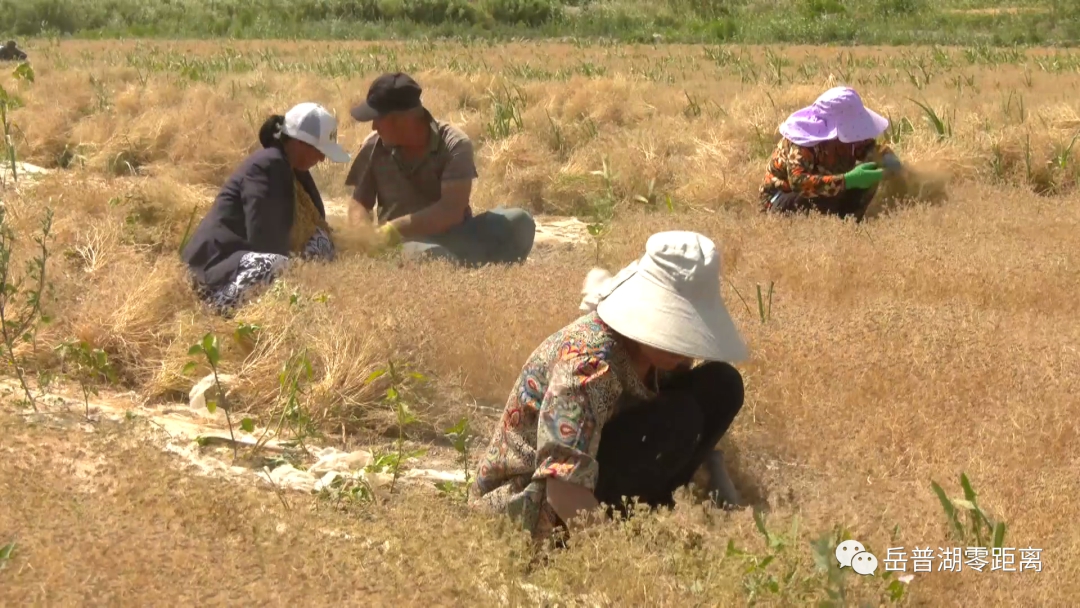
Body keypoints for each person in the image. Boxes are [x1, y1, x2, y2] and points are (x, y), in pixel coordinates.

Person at [470, 231, 749, 544]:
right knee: (678, 417)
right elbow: (562, 485)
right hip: (531, 504)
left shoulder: (662, 357)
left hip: (599, 468)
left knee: (722, 384)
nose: (684, 348)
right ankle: (629, 525)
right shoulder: (588, 367)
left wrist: (723, 490)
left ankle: (650, 510)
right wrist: (619, 562)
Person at [344, 72, 536, 266]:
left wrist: (392, 229)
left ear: (402, 120)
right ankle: (459, 270)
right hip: (405, 243)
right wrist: (364, 238)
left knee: (520, 222)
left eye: (378, 119)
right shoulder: (372, 146)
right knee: (433, 258)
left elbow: (451, 210)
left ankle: (461, 265)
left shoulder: (455, 144)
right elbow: (359, 203)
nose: (373, 127)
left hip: (457, 236)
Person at [182, 102, 351, 316]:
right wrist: (299, 282)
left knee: (318, 245)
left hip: (236, 265)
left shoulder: (289, 169)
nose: (322, 158)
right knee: (278, 265)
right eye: (320, 151)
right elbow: (265, 241)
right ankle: (213, 314)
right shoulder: (269, 166)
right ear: (300, 143)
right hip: (215, 269)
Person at [759, 86, 904, 222]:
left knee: (870, 171)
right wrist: (848, 180)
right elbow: (798, 183)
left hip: (829, 192)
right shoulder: (803, 143)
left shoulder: (851, 139)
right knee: (813, 197)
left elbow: (867, 148)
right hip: (783, 199)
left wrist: (885, 157)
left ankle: (849, 224)